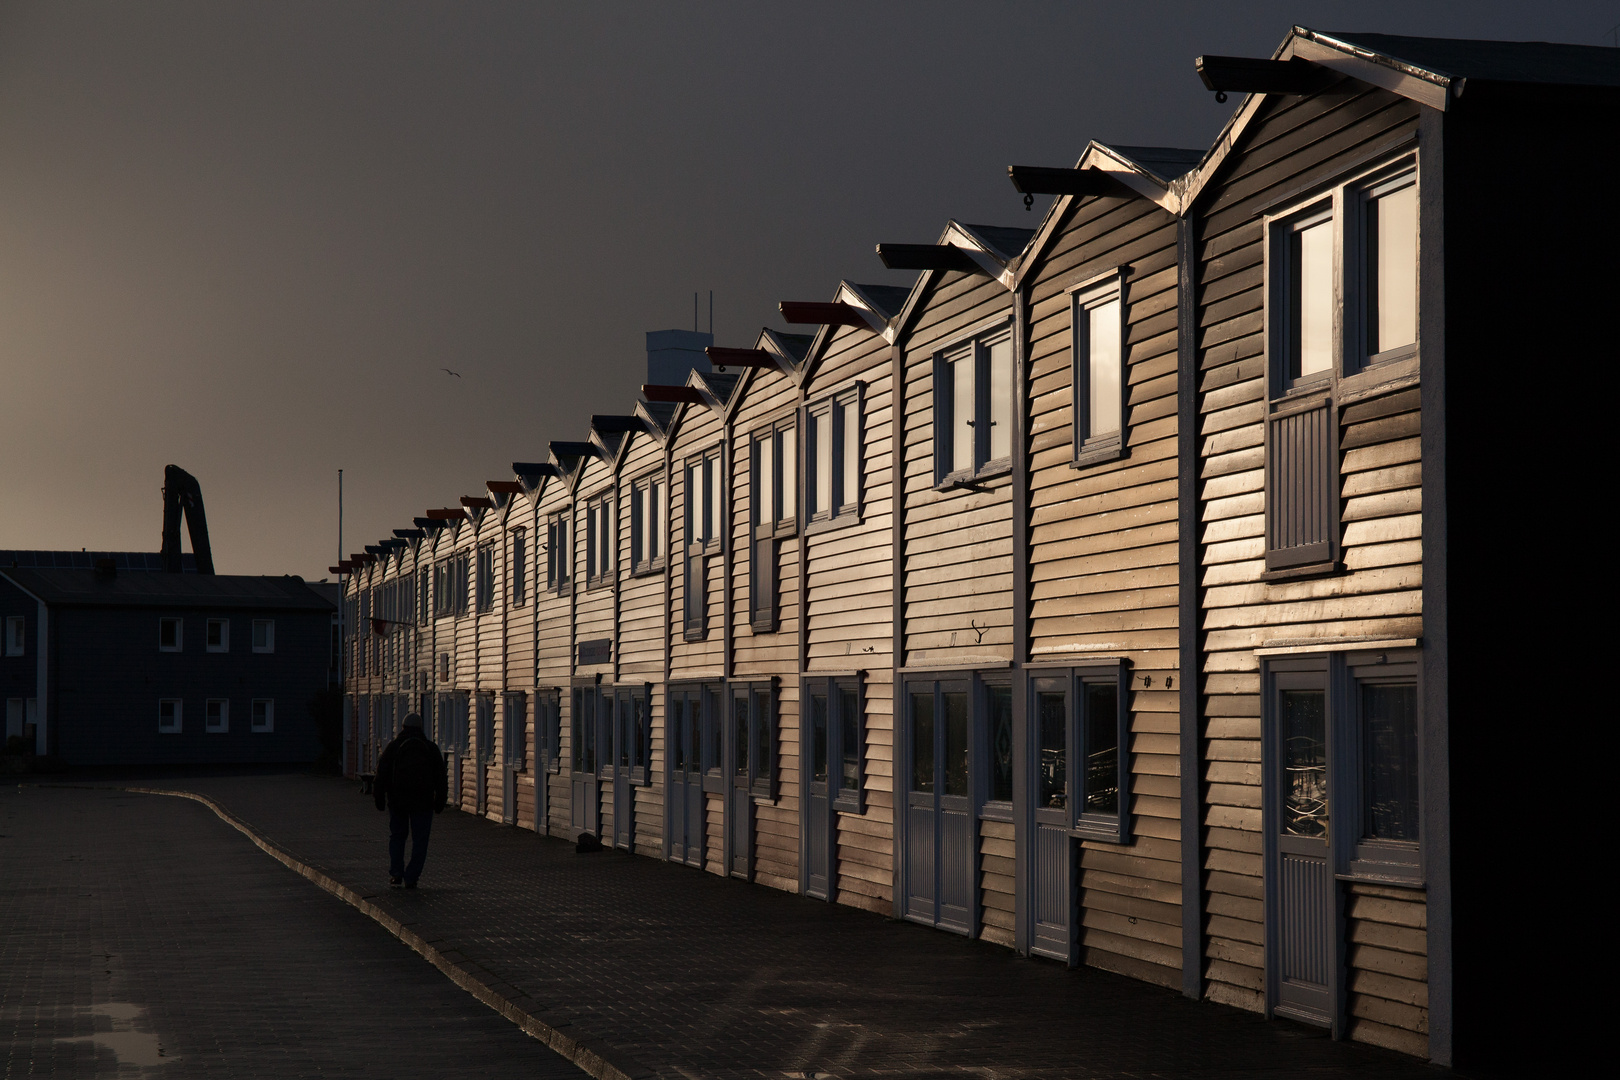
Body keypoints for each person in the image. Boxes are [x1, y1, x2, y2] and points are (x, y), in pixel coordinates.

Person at [373, 712, 447, 888]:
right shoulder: (430, 748)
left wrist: (379, 799)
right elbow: (440, 777)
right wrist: (440, 802)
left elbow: (381, 774)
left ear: (403, 727)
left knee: (398, 836)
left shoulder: (394, 747)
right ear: (421, 728)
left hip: (397, 801)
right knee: (420, 840)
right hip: (423, 802)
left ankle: (396, 873)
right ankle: (412, 876)